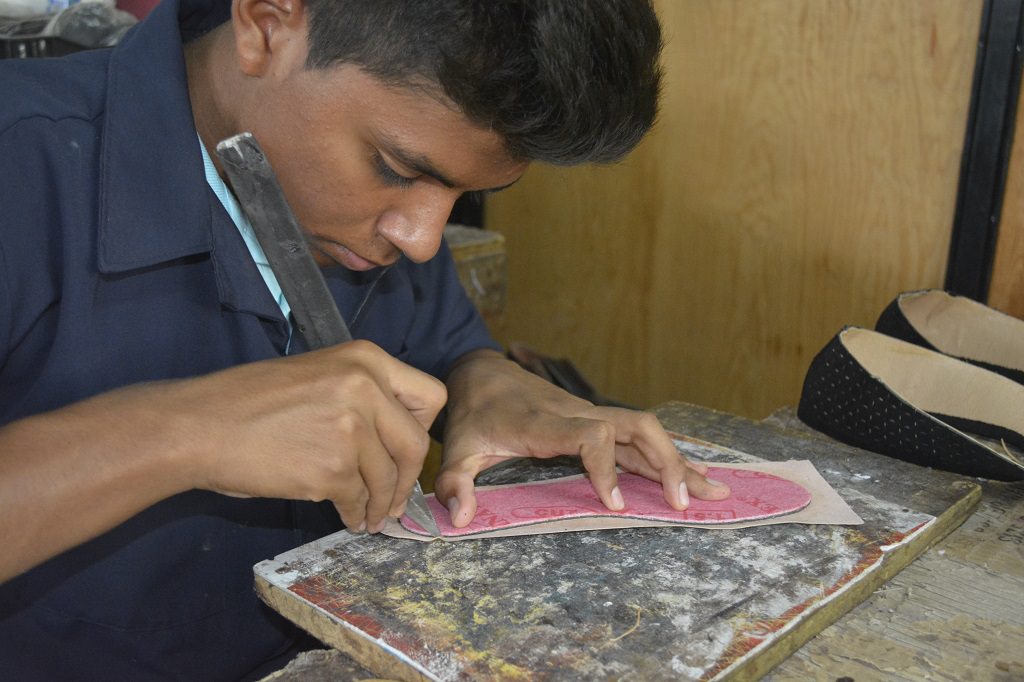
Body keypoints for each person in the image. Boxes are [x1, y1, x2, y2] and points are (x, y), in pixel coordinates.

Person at [0, 0, 731, 678]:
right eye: (397, 169)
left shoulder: (364, 210)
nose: (420, 239)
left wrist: (486, 386)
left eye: (465, 196)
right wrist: (184, 433)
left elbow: (444, 344)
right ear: (264, 24)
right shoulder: (23, 168)